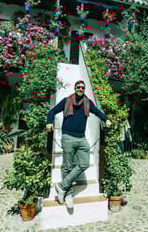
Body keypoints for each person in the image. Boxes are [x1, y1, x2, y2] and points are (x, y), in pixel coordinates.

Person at [45, 80, 112, 210]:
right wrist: (49, 122)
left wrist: (106, 119)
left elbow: (97, 112)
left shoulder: (88, 103)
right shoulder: (66, 101)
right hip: (68, 137)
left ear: (84, 89)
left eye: (82, 87)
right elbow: (52, 111)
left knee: (84, 163)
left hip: (81, 138)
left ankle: (62, 185)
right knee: (67, 166)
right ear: (75, 88)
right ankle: (68, 195)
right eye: (78, 87)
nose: (80, 89)